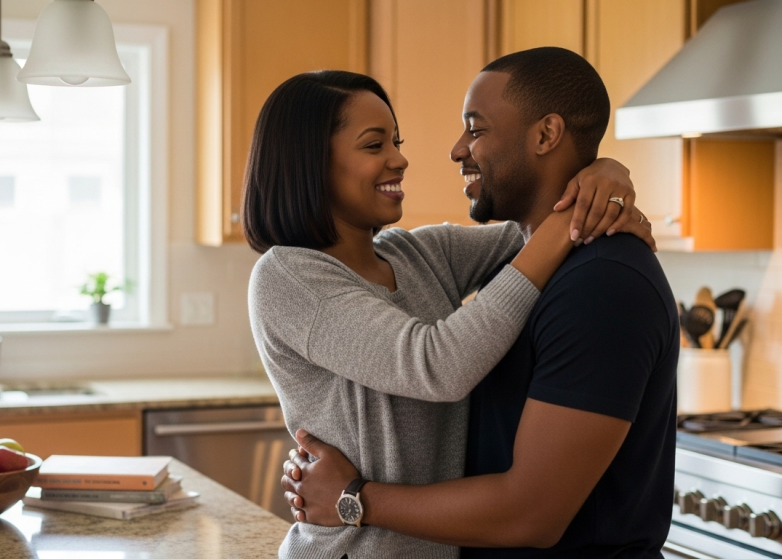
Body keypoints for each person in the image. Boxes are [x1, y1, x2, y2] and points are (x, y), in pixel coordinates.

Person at [282, 47, 678, 558]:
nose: (454, 150)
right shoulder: (531, 257)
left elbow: (531, 514)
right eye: (374, 144)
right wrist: (596, 182)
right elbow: (439, 360)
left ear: (545, 135)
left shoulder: (604, 284)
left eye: (476, 128)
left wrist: (353, 499)